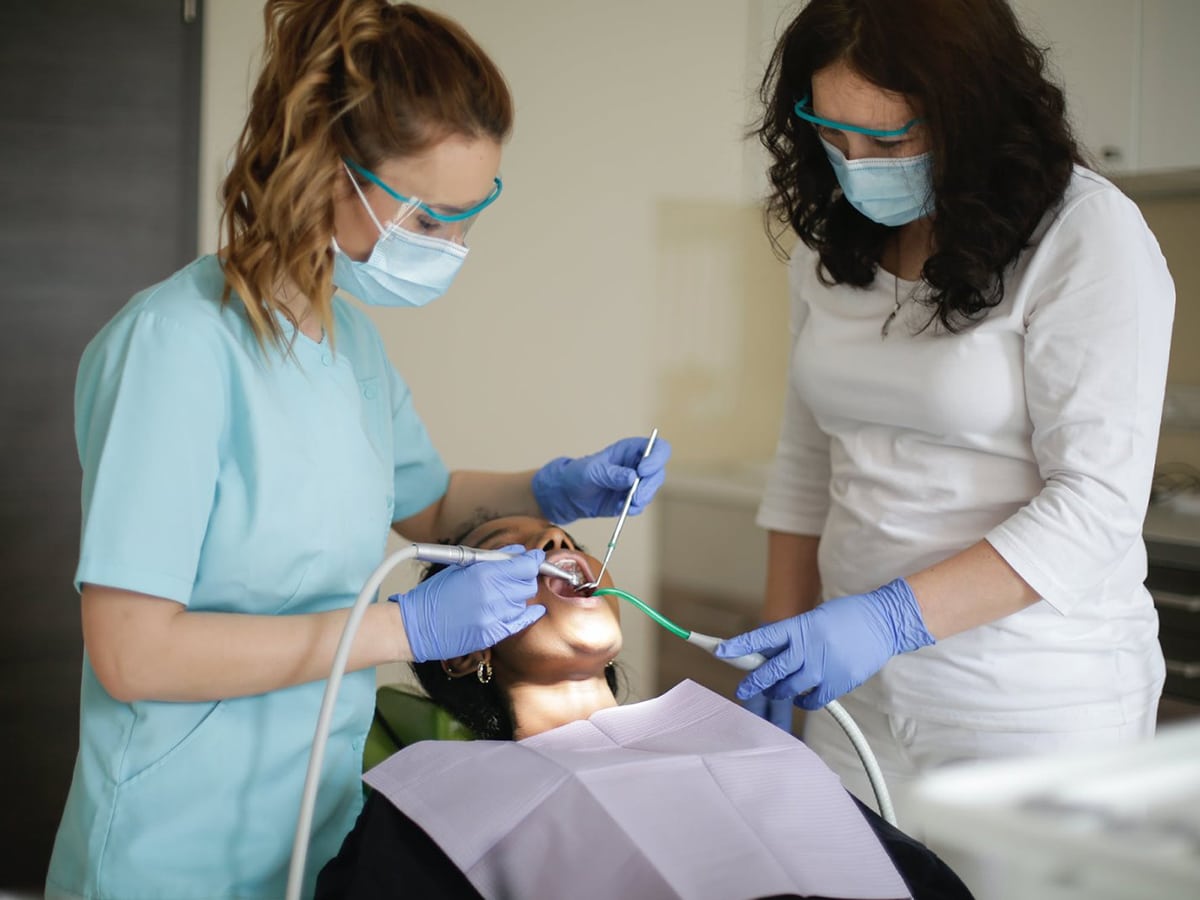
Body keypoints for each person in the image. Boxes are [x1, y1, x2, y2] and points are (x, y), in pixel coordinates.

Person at [45, 3, 670, 898]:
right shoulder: (176, 349)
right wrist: (402, 631)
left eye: (470, 215)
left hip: (314, 833)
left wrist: (560, 487)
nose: (453, 246)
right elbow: (133, 653)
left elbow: (425, 503)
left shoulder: (349, 347)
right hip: (175, 850)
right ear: (326, 169)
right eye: (430, 218)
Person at [717, 0, 1174, 817]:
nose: (857, 166)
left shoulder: (1086, 234)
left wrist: (889, 619)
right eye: (833, 133)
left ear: (972, 112)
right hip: (855, 705)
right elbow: (806, 462)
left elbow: (1095, 507)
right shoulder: (833, 246)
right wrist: (781, 655)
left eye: (891, 141)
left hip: (1032, 710)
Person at [316, 514, 972, 899]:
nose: (556, 546)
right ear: (462, 650)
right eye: (510, 553)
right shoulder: (443, 805)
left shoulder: (736, 739)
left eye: (566, 538)